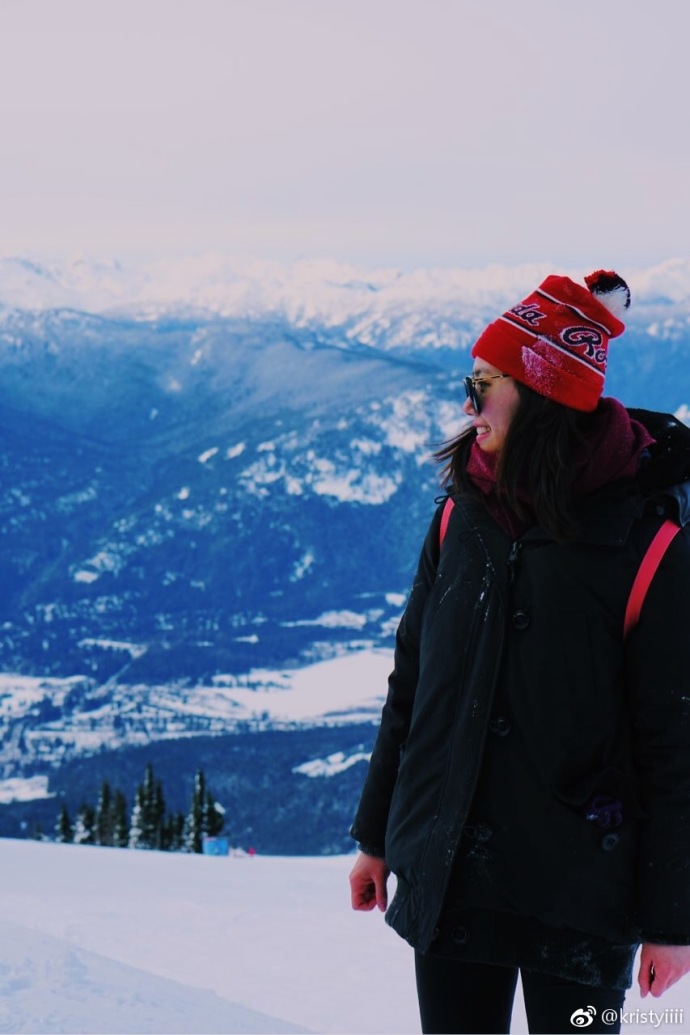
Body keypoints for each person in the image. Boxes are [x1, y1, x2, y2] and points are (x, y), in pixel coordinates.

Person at [349, 270, 690, 1035]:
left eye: (484, 383)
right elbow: (413, 686)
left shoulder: (646, 544)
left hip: (582, 901)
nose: (468, 404)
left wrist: (673, 918)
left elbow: (676, 745)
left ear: (542, 393)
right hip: (453, 879)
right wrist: (376, 838)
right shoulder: (457, 519)